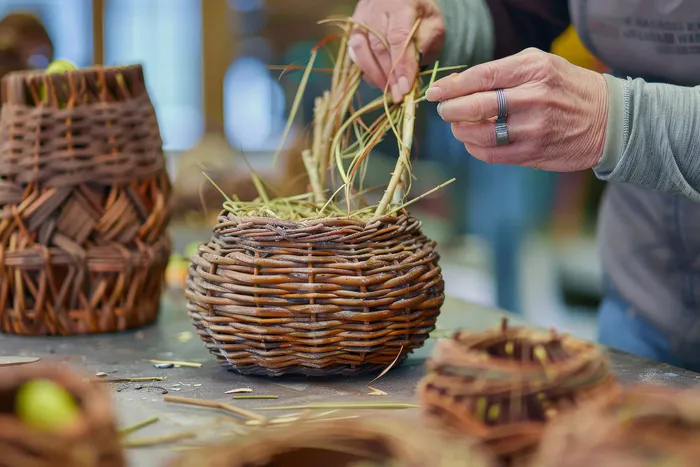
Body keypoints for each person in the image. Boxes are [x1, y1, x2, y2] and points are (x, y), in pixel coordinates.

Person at [349, 0, 700, 371]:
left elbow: (615, 118)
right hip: (643, 296)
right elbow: (527, 10)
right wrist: (449, 22)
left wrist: (618, 120)